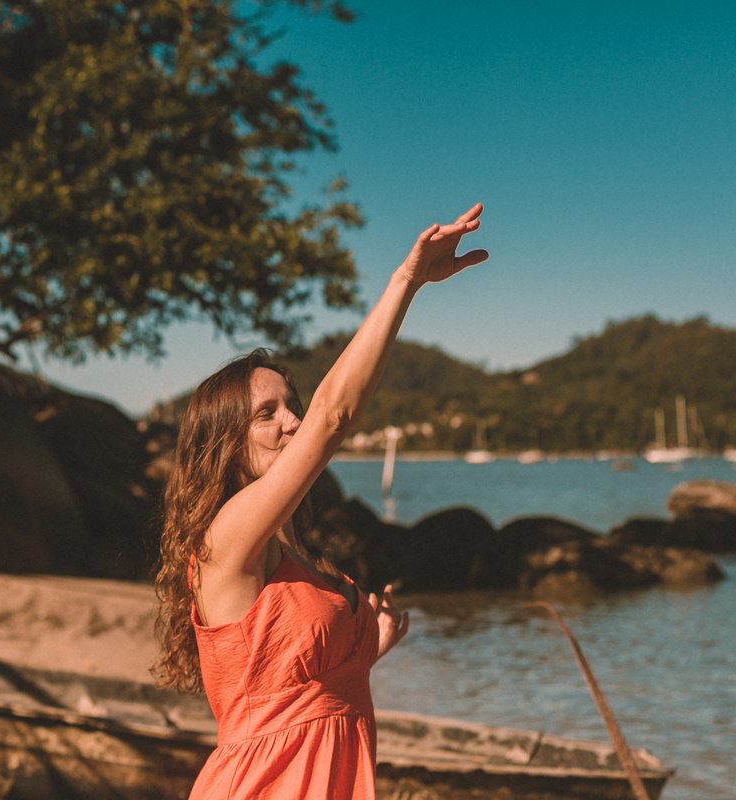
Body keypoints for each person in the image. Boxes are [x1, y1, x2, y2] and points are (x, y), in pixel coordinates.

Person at [154, 204, 489, 799]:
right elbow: (333, 417)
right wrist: (405, 283)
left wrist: (363, 651)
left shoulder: (292, 549)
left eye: (292, 403)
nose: (293, 420)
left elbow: (294, 693)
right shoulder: (226, 538)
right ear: (224, 448)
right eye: (268, 414)